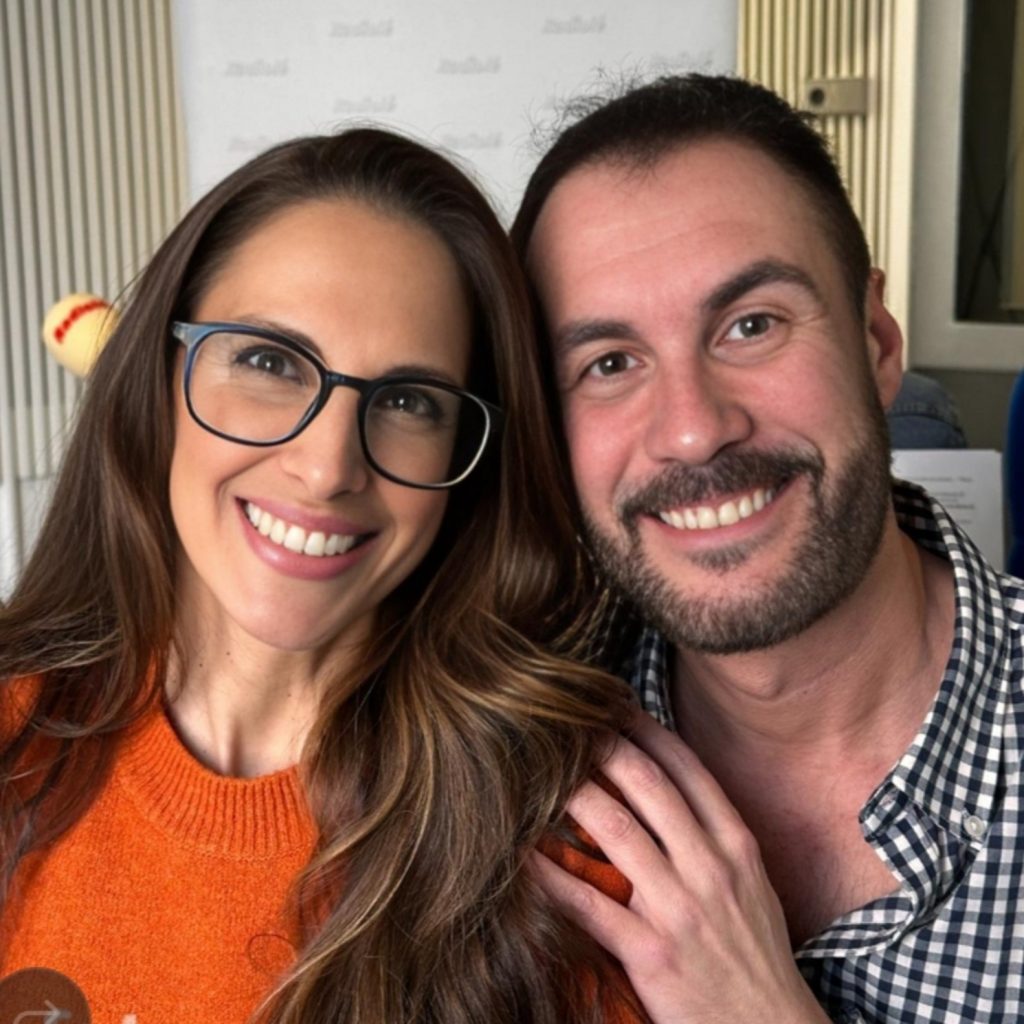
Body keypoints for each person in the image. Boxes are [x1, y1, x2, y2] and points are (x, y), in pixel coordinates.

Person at [0, 128, 644, 1023]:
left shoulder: (563, 843)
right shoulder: (15, 731)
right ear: (158, 376)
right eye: (268, 362)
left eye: (409, 401)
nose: (327, 466)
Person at [512, 73, 1024, 1023]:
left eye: (751, 326)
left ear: (876, 342)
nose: (693, 430)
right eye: (609, 364)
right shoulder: (512, 744)